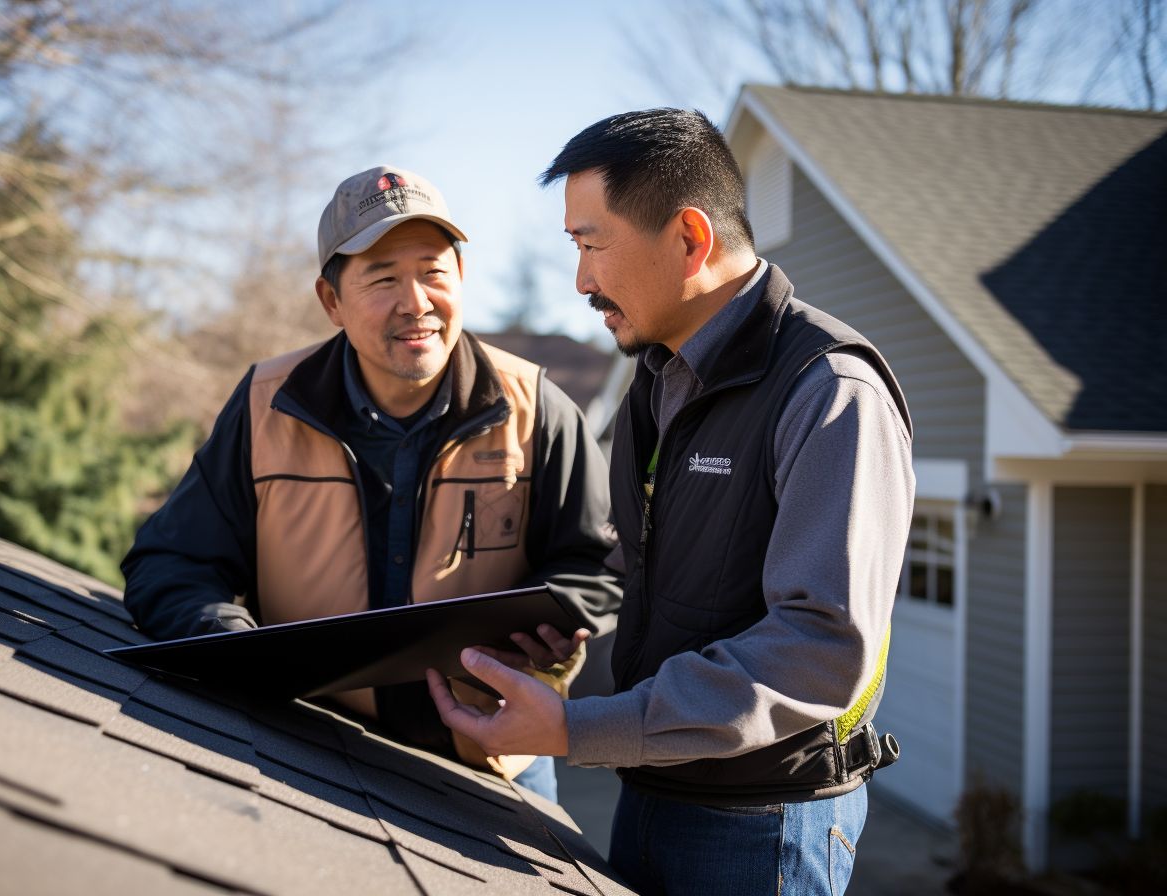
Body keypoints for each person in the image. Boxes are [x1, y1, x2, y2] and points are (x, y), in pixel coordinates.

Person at [426, 109, 915, 894]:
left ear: (689, 237)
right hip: (654, 790)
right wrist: (553, 624)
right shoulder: (657, 380)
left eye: (591, 245)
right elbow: (651, 562)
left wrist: (578, 728)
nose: (580, 281)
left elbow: (822, 648)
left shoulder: (830, 393)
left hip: (765, 827)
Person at [122, 165, 621, 802]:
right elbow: (171, 562)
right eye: (382, 277)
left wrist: (555, 622)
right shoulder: (265, 405)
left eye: (433, 271)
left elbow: (596, 569)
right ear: (331, 301)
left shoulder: (540, 409)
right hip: (309, 742)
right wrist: (233, 647)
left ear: (461, 279)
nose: (414, 302)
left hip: (493, 757)